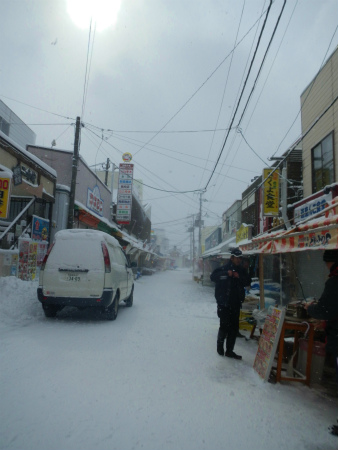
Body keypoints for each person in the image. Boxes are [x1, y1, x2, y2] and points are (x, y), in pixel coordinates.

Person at [304, 249, 338, 436]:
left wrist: (311, 309)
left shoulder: (334, 281)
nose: (325, 265)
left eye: (326, 262)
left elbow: (326, 309)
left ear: (330, 262)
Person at [210, 247, 250, 360]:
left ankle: (229, 351)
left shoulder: (241, 270)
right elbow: (213, 277)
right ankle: (220, 347)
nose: (238, 260)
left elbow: (247, 281)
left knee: (234, 328)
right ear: (231, 258)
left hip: (236, 303)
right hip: (224, 303)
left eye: (240, 258)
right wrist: (226, 274)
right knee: (224, 325)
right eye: (236, 258)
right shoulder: (223, 268)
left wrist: (239, 277)